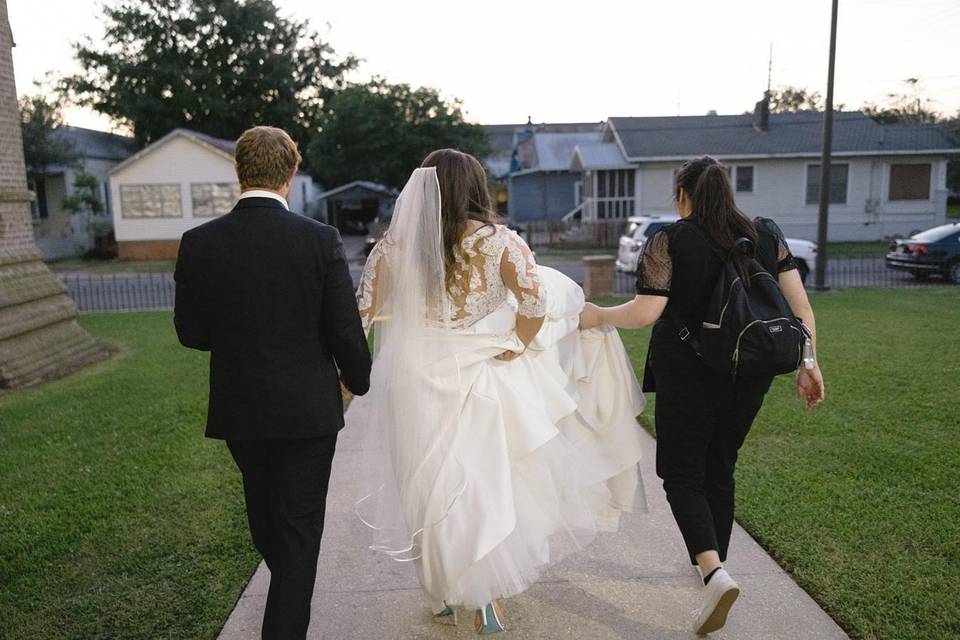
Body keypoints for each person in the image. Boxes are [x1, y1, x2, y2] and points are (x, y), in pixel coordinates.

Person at [349, 149, 647, 634]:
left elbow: (360, 316)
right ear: (474, 188)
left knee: (426, 483)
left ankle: (445, 593)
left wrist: (349, 374)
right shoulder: (499, 242)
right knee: (482, 483)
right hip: (481, 372)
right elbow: (534, 301)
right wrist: (517, 344)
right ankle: (483, 598)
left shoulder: (391, 247)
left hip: (415, 376)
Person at [579, 155, 825, 636]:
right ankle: (716, 567)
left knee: (681, 471)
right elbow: (801, 308)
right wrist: (809, 363)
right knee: (721, 462)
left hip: (688, 370)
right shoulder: (767, 233)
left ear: (682, 194)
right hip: (751, 368)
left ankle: (714, 572)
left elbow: (647, 312)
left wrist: (595, 314)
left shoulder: (670, 239)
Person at [174, 126, 371, 640]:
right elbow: (343, 328)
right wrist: (357, 379)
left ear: (239, 172)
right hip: (307, 410)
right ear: (291, 173)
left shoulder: (199, 243)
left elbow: (191, 334)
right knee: (296, 534)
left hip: (243, 410)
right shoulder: (318, 240)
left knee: (271, 524)